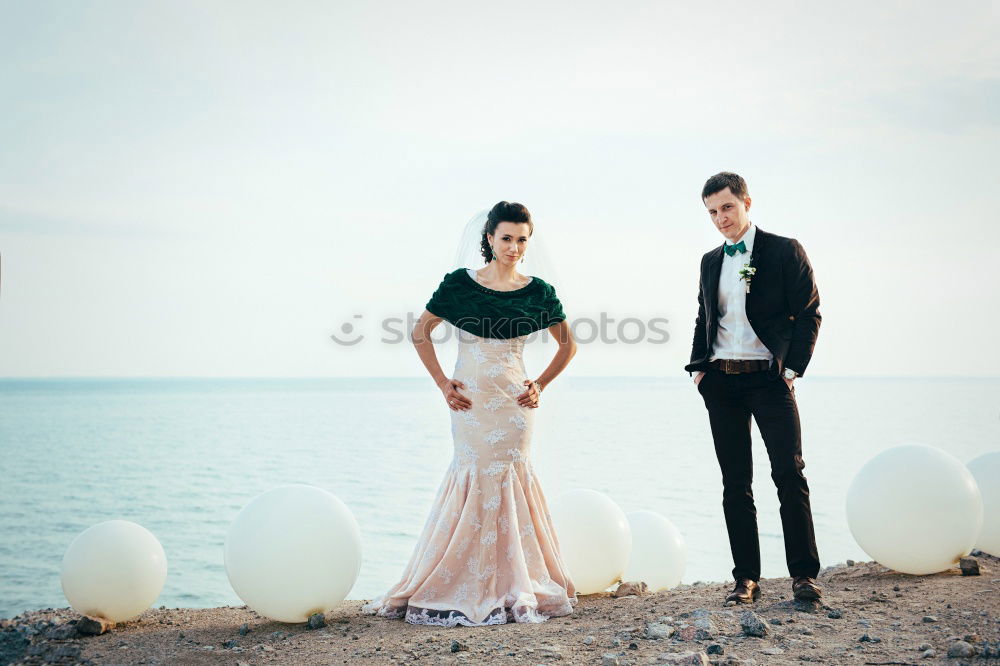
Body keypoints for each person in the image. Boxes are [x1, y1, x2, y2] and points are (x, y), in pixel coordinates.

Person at [362, 201, 579, 626]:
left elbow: (568, 345)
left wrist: (540, 384)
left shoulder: (539, 292)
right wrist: (443, 383)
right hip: (471, 403)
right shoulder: (460, 285)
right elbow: (420, 332)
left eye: (521, 239)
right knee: (472, 474)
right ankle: (459, 580)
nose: (514, 247)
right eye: (506, 238)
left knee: (512, 476)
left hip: (515, 408)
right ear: (489, 238)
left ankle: (514, 583)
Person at [686, 172, 823, 604]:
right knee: (735, 483)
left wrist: (791, 371)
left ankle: (803, 576)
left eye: (727, 207)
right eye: (712, 212)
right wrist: (698, 370)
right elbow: (704, 317)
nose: (720, 219)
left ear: (746, 202)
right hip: (721, 381)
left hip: (769, 380)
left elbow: (810, 314)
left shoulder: (784, 250)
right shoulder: (710, 261)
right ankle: (745, 578)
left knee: (788, 473)